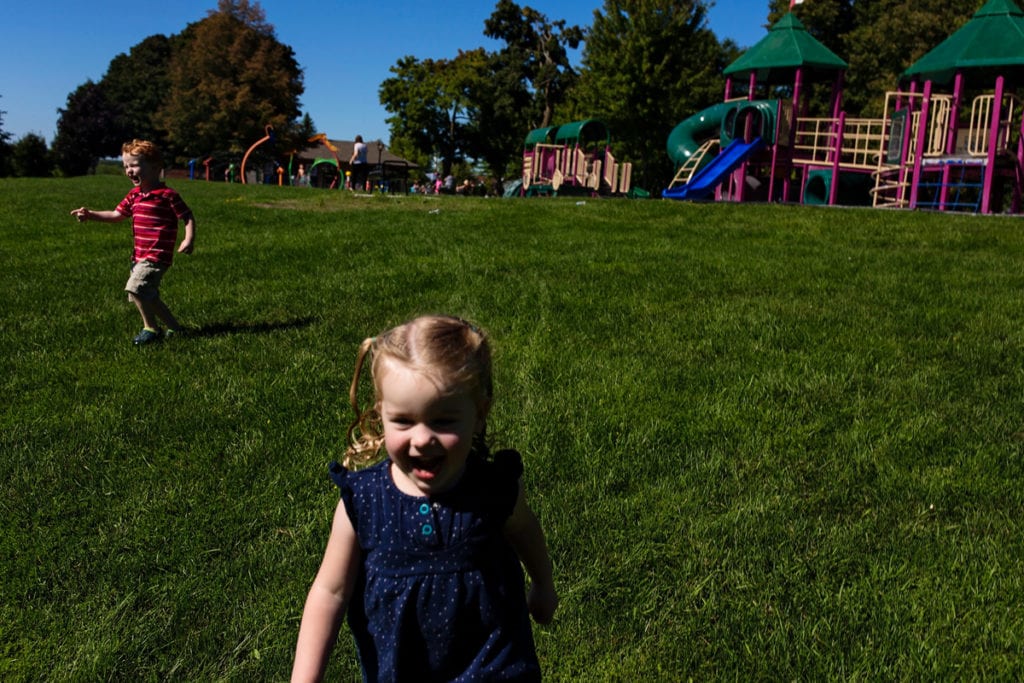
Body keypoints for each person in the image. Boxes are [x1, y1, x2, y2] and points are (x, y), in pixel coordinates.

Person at [292, 315, 558, 682]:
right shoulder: (364, 501)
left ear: (478, 415)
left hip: (495, 666)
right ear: (380, 413)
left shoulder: (493, 488)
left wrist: (543, 584)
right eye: (403, 421)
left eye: (444, 421)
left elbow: (526, 530)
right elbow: (330, 591)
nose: (422, 439)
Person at [70, 139, 195, 345]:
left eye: (134, 165)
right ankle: (175, 328)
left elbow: (187, 216)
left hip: (157, 255)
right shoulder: (134, 196)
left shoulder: (167, 195)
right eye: (126, 166)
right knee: (149, 296)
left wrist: (188, 238)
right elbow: (116, 214)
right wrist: (91, 214)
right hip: (138, 255)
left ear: (155, 167)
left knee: (136, 288)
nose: (129, 170)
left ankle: (151, 329)